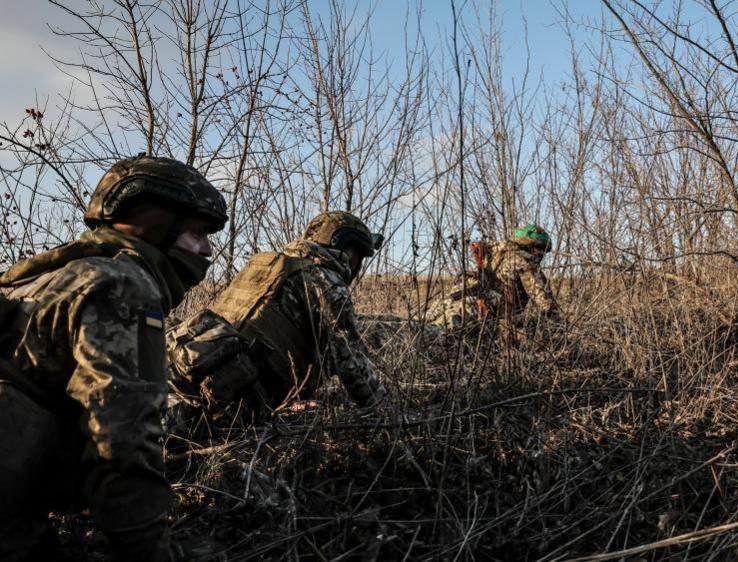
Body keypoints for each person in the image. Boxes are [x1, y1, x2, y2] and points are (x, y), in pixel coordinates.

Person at [0, 154, 227, 561]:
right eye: (197, 232)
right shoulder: (124, 286)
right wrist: (150, 551)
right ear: (156, 225)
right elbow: (121, 444)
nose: (206, 249)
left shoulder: (44, 275)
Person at [167, 211, 387, 412]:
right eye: (358, 256)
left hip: (186, 369)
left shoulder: (268, 265)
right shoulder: (326, 282)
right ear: (346, 249)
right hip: (232, 396)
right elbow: (351, 362)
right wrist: (386, 414)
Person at [428, 224, 559, 330]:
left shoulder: (495, 253)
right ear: (528, 245)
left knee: (421, 326)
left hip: (453, 299)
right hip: (476, 310)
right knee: (436, 335)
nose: (542, 254)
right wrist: (559, 326)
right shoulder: (524, 262)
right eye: (540, 247)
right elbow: (546, 303)